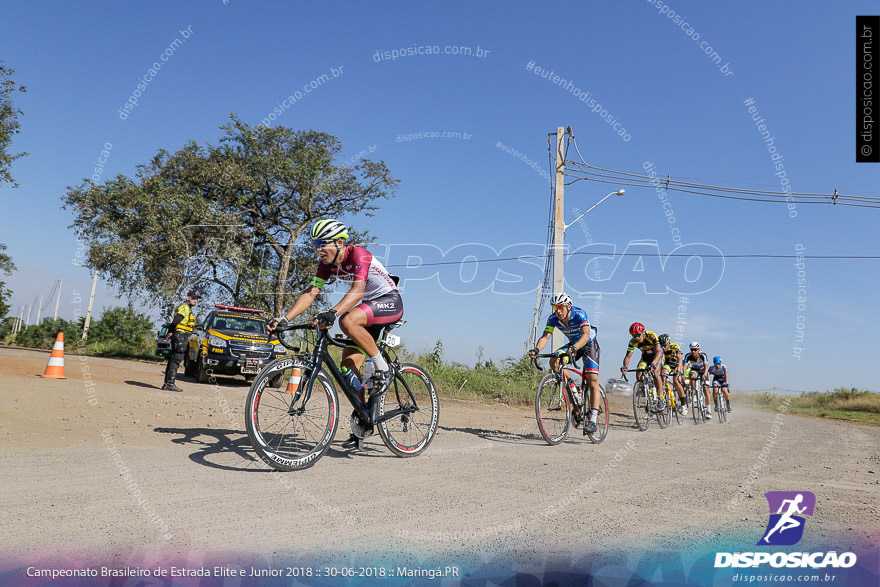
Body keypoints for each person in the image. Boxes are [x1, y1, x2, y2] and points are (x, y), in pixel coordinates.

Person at [267, 219, 402, 451]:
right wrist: (284, 318)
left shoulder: (359, 254)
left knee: (346, 320)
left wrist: (332, 311)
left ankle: (383, 367)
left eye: (322, 244)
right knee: (349, 368)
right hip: (368, 312)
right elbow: (311, 293)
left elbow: (358, 291)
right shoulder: (326, 265)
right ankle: (363, 421)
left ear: (340, 242)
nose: (318, 250)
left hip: (389, 301)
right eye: (315, 245)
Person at [528, 292, 601, 434]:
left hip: (588, 344)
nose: (558, 311)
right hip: (573, 345)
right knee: (554, 361)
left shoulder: (579, 314)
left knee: (592, 380)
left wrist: (574, 348)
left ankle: (593, 419)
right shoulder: (553, 318)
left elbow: (586, 335)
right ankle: (574, 388)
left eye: (561, 307)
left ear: (569, 306)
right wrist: (537, 349)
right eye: (555, 308)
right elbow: (545, 336)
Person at [162, 289, 200, 391]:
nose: (195, 300)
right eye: (193, 298)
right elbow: (175, 321)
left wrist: (171, 332)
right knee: (176, 359)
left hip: (180, 335)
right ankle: (169, 384)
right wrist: (170, 331)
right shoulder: (185, 308)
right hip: (180, 336)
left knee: (173, 359)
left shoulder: (187, 308)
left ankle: (167, 383)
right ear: (188, 298)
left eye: (196, 299)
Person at [621, 322, 663, 400]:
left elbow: (659, 351)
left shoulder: (651, 336)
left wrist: (653, 364)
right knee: (639, 375)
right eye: (634, 336)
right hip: (645, 357)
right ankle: (648, 398)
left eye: (638, 335)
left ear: (643, 332)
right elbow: (627, 357)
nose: (636, 338)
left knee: (656, 373)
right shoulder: (632, 342)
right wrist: (625, 366)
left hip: (656, 356)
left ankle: (661, 397)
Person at [659, 334, 687, 416]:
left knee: (676, 381)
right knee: (663, 375)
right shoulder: (660, 349)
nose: (663, 348)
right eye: (661, 346)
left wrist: (679, 369)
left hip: (676, 365)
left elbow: (680, 359)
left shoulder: (674, 346)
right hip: (668, 365)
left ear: (668, 343)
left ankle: (683, 404)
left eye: (664, 345)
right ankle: (666, 396)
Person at [683, 341, 711, 418]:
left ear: (698, 349)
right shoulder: (688, 355)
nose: (693, 351)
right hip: (695, 370)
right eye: (691, 349)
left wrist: (705, 374)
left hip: (703, 371)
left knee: (705, 389)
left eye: (695, 349)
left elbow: (706, 366)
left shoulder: (703, 355)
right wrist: (683, 375)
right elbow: (685, 366)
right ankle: (694, 393)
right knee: (691, 375)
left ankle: (708, 411)